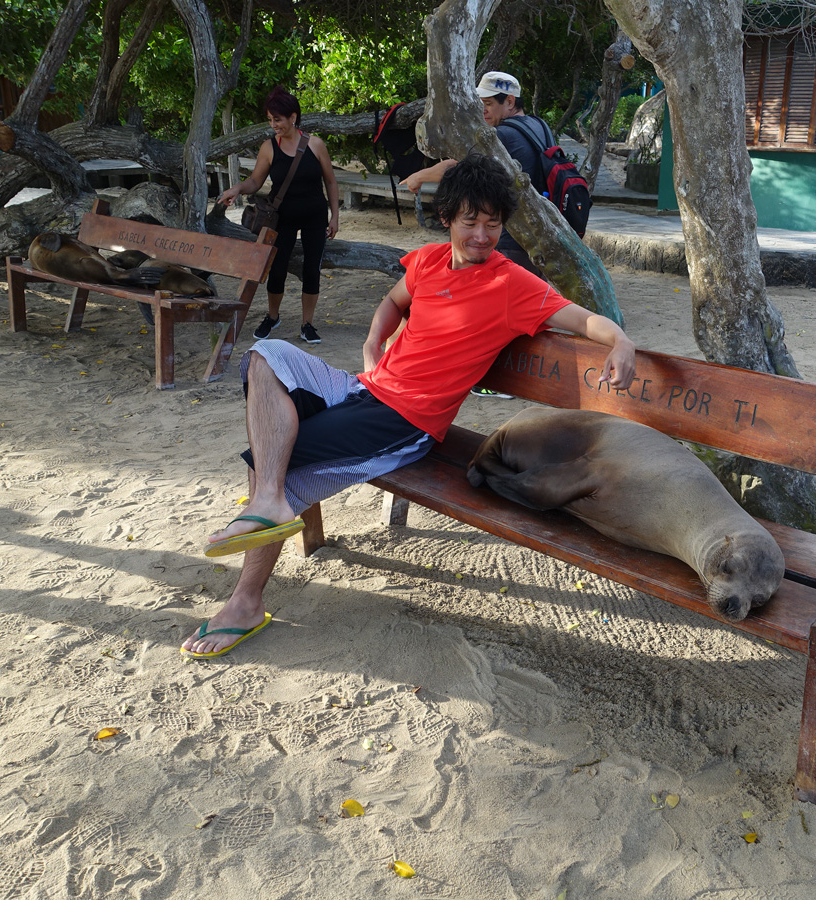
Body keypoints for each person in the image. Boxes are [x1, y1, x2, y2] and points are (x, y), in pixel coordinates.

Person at [182, 153, 636, 659]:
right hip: (363, 389)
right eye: (471, 222)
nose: (482, 236)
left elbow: (585, 320)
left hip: (406, 420)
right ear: (448, 219)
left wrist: (620, 341)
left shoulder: (512, 286)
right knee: (265, 355)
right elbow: (393, 302)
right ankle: (268, 501)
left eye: (493, 224)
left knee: (277, 461)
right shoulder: (427, 261)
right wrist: (373, 344)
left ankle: (246, 599)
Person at [217, 86, 340, 345]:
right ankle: (273, 317)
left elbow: (330, 182)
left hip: (315, 216)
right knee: (277, 268)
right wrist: (238, 188)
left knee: (311, 269)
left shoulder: (315, 145)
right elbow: (255, 181)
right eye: (270, 119)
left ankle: (307, 324)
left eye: (278, 119)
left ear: (293, 117)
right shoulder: (268, 148)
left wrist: (335, 216)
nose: (274, 125)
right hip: (281, 217)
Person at [403, 71, 555, 276]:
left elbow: (459, 170)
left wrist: (418, 177)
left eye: (489, 103)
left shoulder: (502, 136)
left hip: (511, 240)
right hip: (538, 236)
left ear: (510, 101)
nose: (482, 110)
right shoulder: (539, 126)